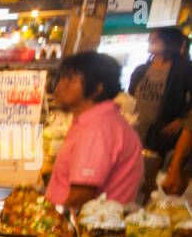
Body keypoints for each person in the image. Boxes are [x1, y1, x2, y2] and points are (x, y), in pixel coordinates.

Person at [44, 51, 143, 209]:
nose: (60, 87)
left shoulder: (97, 128)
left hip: (80, 229)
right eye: (61, 78)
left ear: (97, 89)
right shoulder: (97, 121)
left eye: (70, 80)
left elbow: (80, 197)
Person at [128, 26, 191, 157]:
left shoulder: (185, 70)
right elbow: (130, 97)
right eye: (150, 39)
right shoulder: (141, 69)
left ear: (169, 42)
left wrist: (182, 120)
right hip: (134, 130)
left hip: (161, 135)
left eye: (155, 39)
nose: (150, 42)